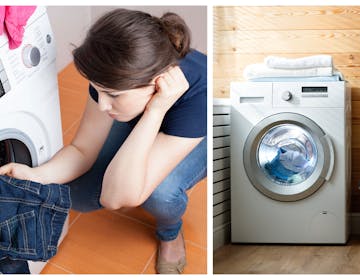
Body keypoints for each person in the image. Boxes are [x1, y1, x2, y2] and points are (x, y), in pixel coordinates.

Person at [0, 8, 207, 274]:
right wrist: (34, 175)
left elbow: (116, 197)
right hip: (147, 109)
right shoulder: (110, 76)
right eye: (97, 91)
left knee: (159, 195)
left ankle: (170, 232)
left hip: (197, 131)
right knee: (78, 194)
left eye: (112, 95)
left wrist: (155, 111)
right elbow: (81, 149)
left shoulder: (198, 94)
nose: (102, 103)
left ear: (157, 85)